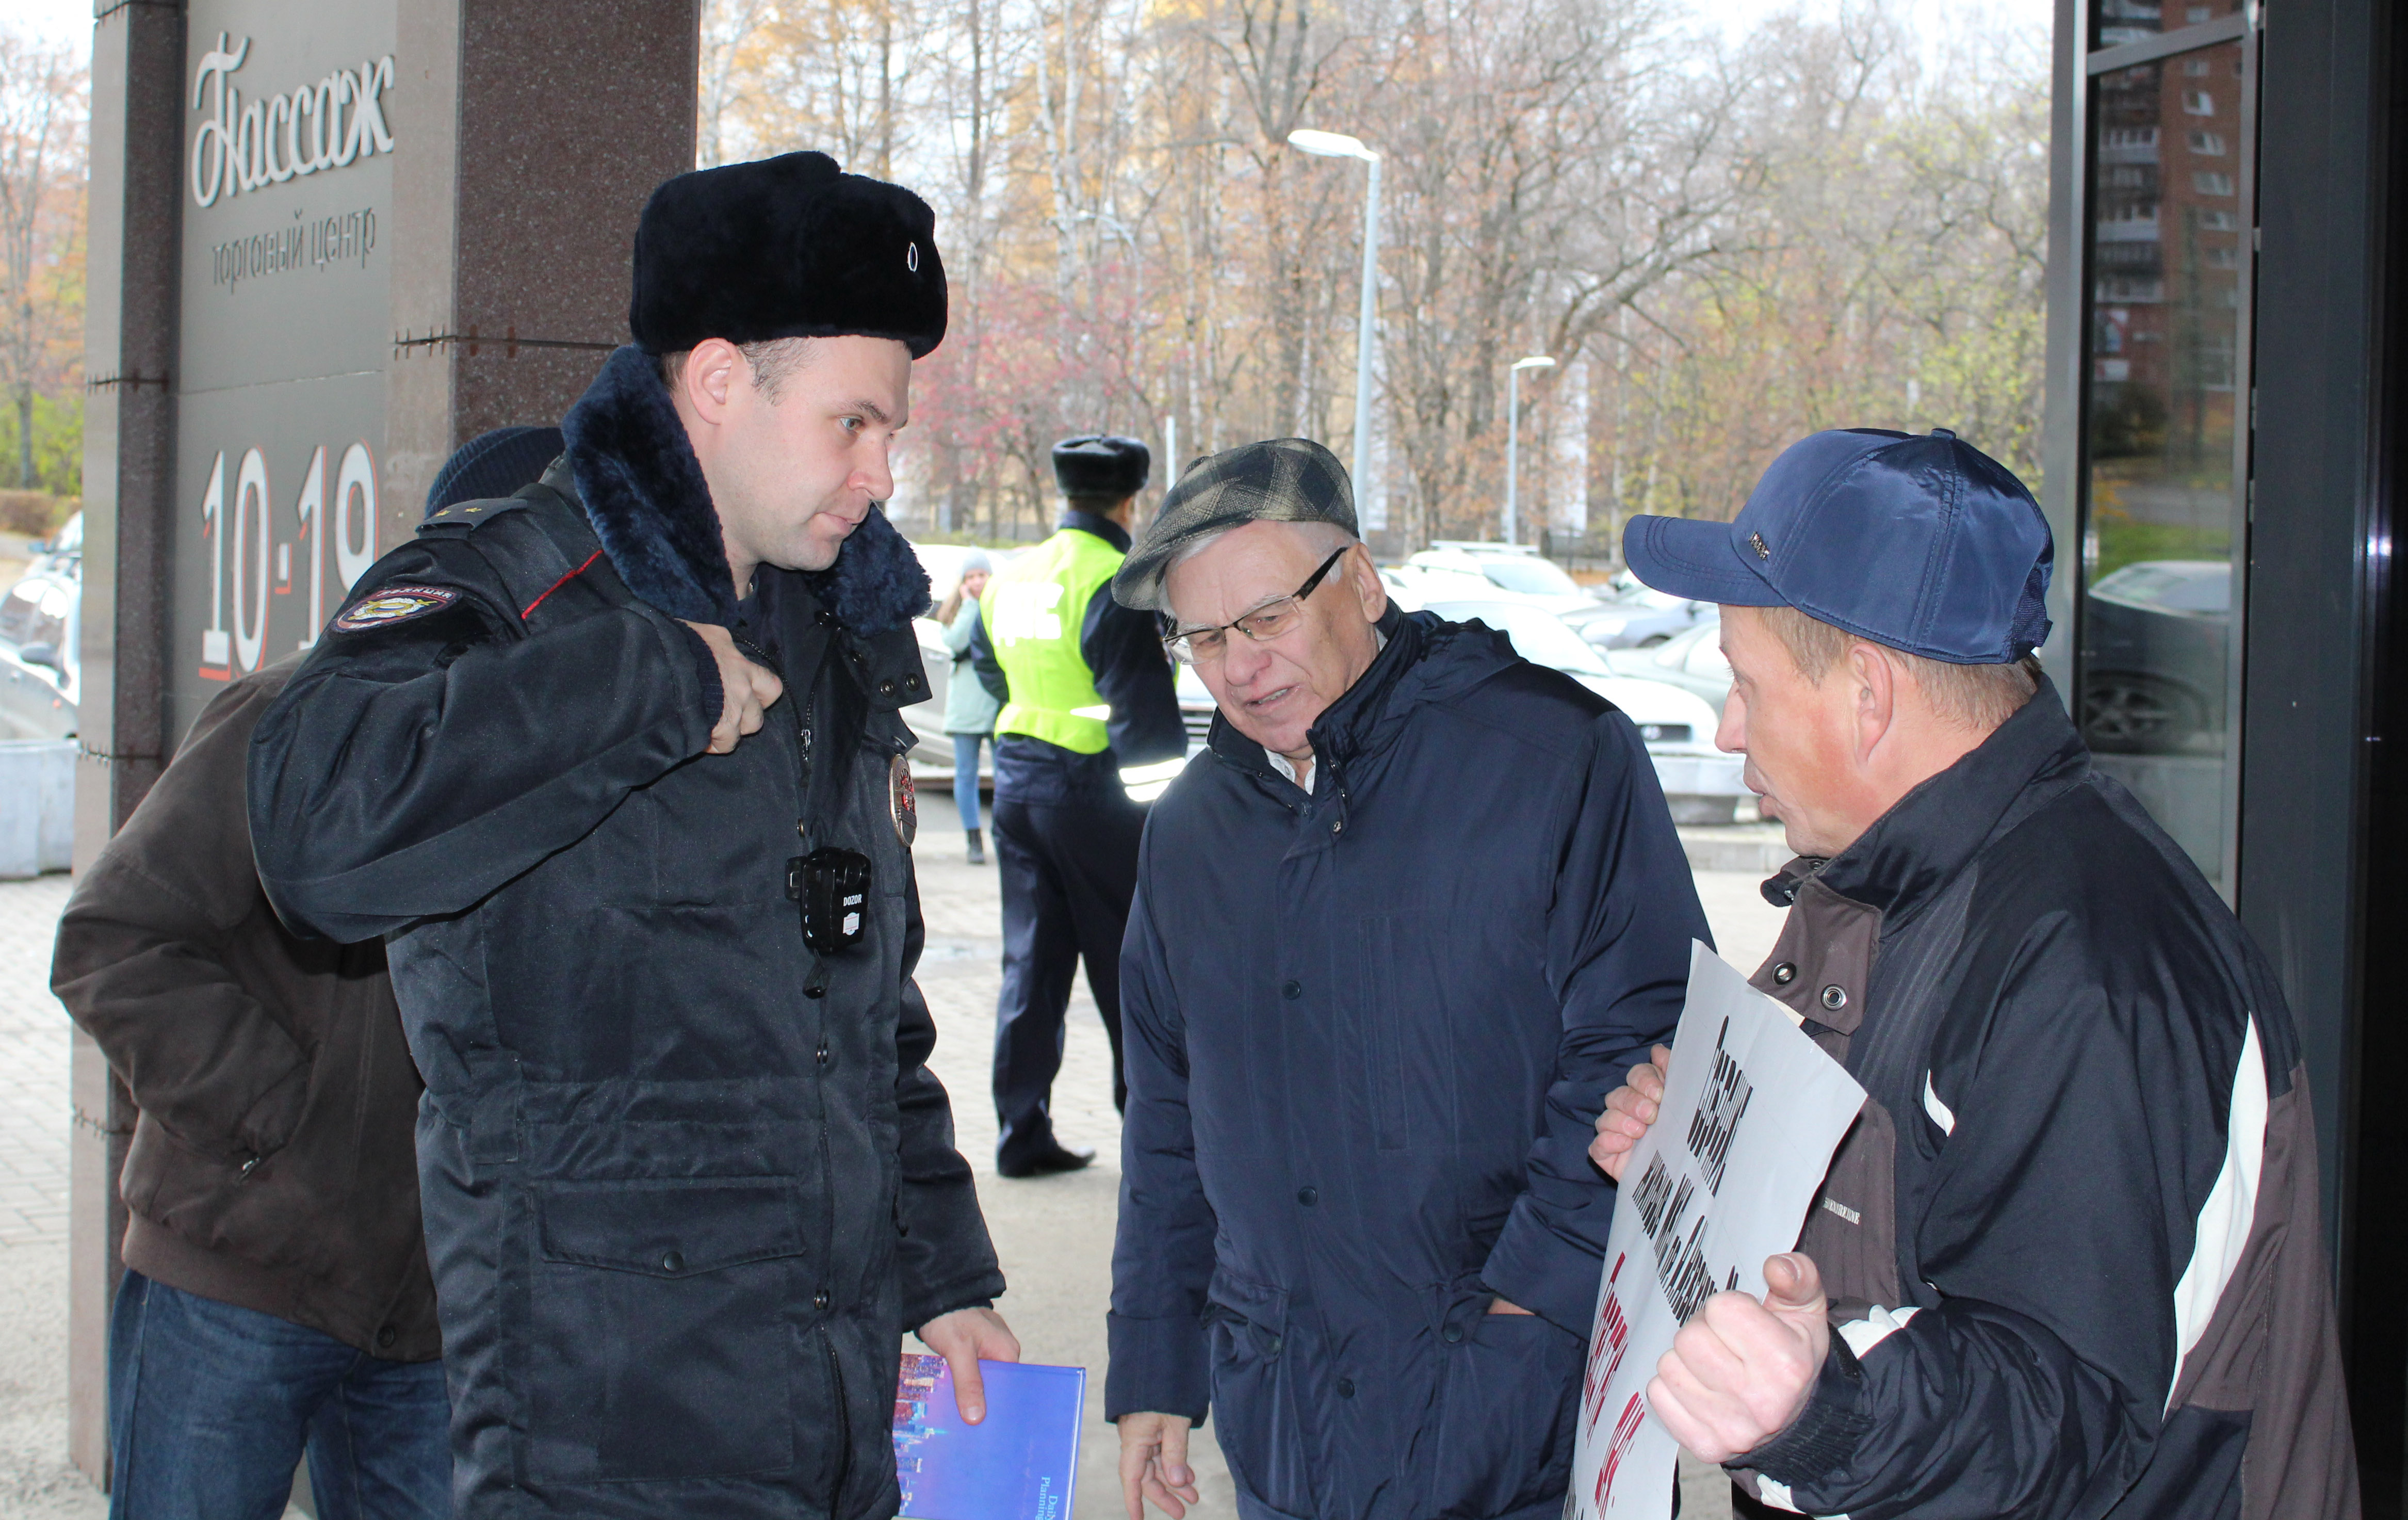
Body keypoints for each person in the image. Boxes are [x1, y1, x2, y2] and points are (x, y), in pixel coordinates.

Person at [246, 151, 1018, 1519]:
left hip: (830, 1418)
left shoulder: (835, 631)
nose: (881, 470)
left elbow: (862, 1005)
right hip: (597, 1436)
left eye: (892, 430)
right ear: (720, 380)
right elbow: (315, 836)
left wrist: (941, 1270)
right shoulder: (501, 586)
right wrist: (643, 683)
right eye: (852, 423)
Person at [1589, 428, 2360, 1518]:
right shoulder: (1900, 885)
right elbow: (1889, 1224)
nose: (1725, 732)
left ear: (1870, 692)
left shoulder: (2090, 961)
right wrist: (1696, 1171)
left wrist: (1822, 1417)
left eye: (1747, 687)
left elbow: (2068, 1407)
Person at [1104, 438, 1709, 1520]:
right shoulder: (1191, 830)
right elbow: (1165, 1116)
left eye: (1267, 619)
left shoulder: (1554, 756)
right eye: (1203, 639)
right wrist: (1155, 1366)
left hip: (1507, 1408)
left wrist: (1530, 1302)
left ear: (1362, 581)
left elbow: (1646, 1035)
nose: (1239, 666)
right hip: (1283, 1413)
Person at [46, 427, 555, 1520]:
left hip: (440, 1319)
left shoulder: (578, 761)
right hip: (240, 1278)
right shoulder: (292, 719)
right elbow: (113, 938)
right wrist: (277, 1125)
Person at [968, 435, 1184, 1177]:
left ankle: (1020, 1132)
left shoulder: (1015, 574)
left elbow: (989, 669)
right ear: (1131, 499)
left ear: (1065, 493)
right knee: (1131, 967)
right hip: (1093, 797)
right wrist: (1166, 817)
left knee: (1031, 964)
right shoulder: (1117, 578)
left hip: (1019, 782)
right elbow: (1143, 717)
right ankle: (1152, 1140)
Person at [936, 548, 999, 863]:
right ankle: (973, 839)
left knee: (1006, 775)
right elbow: (956, 642)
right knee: (966, 774)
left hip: (997, 701)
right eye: (971, 577)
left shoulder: (1001, 605)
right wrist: (971, 604)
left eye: (981, 575)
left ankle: (1002, 835)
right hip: (966, 705)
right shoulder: (958, 610)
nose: (976, 582)